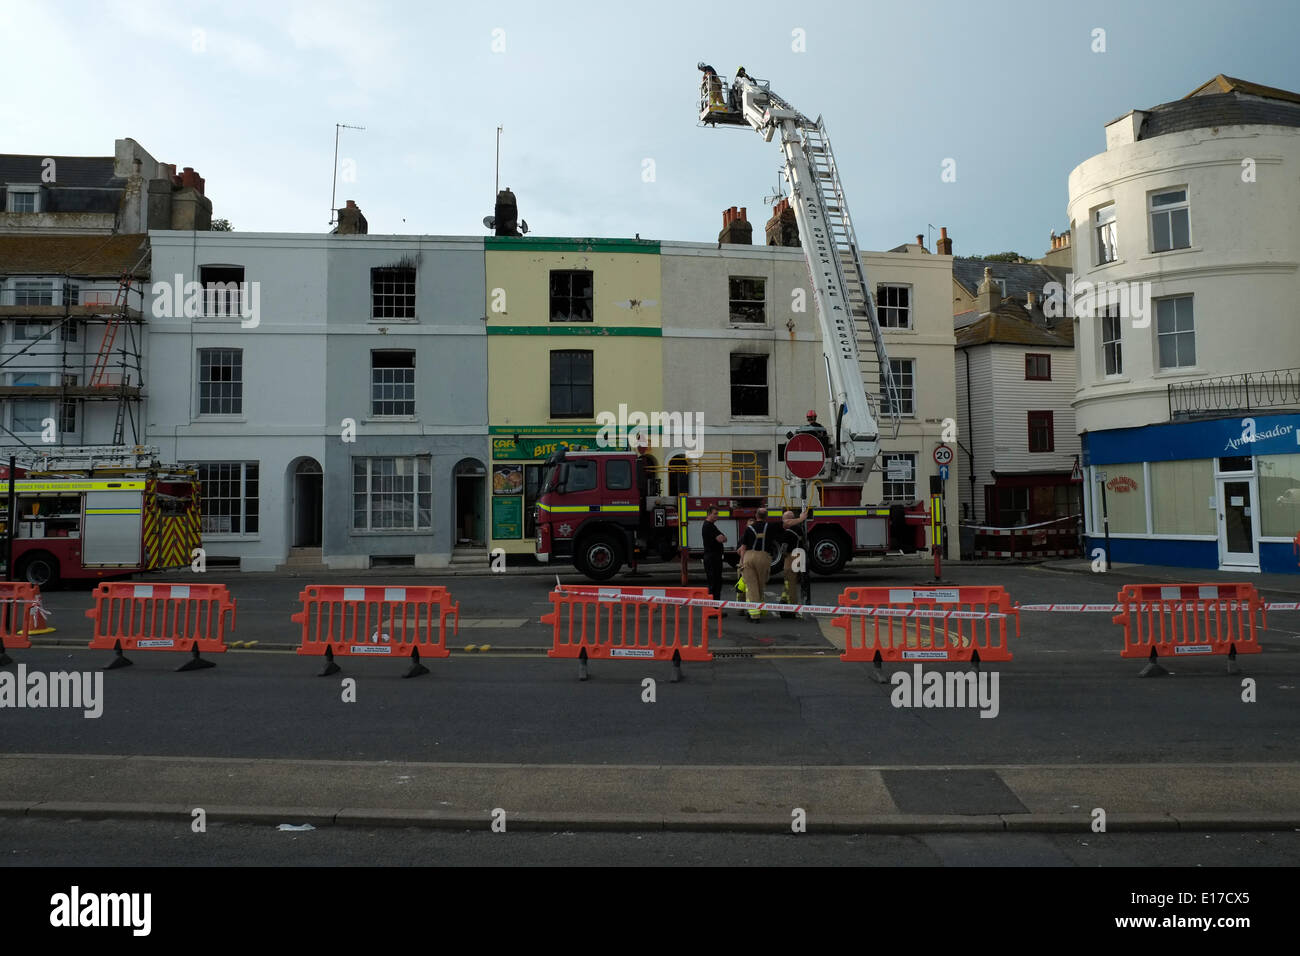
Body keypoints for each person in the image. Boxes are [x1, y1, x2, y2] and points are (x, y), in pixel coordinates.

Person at [738, 507, 778, 622]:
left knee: (751, 586)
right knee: (760, 586)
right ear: (766, 517)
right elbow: (785, 525)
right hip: (764, 557)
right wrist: (801, 518)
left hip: (749, 557)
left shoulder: (749, 528)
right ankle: (760, 610)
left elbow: (743, 547)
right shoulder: (770, 527)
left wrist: (741, 561)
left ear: (756, 516)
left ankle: (754, 615)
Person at [779, 504, 811, 603]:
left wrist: (783, 556)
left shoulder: (787, 532)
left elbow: (784, 548)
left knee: (790, 581)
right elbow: (806, 544)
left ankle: (791, 606)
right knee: (800, 581)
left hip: (792, 557)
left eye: (783, 519)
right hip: (801, 556)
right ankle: (787, 599)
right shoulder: (800, 530)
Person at [700, 504, 727, 615]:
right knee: (714, 584)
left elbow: (723, 538)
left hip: (713, 558)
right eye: (715, 514)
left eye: (717, 514)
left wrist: (723, 537)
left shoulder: (710, 526)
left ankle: (716, 608)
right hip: (712, 558)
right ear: (709, 513)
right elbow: (722, 539)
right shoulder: (709, 526)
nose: (717, 516)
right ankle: (713, 610)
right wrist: (722, 537)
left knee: (716, 583)